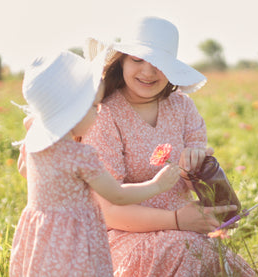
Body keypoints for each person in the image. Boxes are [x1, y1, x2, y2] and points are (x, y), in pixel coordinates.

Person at [81, 16, 256, 276]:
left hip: (186, 229)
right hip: (123, 235)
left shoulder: (182, 106)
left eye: (159, 63)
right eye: (137, 59)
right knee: (180, 250)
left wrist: (194, 172)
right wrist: (175, 220)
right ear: (122, 61)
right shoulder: (105, 115)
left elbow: (196, 184)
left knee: (203, 254)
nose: (148, 72)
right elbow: (107, 211)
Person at [10, 50, 180, 276]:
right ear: (72, 113)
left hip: (41, 233)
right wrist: (157, 186)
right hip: (73, 237)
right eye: (93, 107)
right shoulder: (81, 156)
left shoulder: (34, 144)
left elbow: (24, 171)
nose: (98, 114)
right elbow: (116, 195)